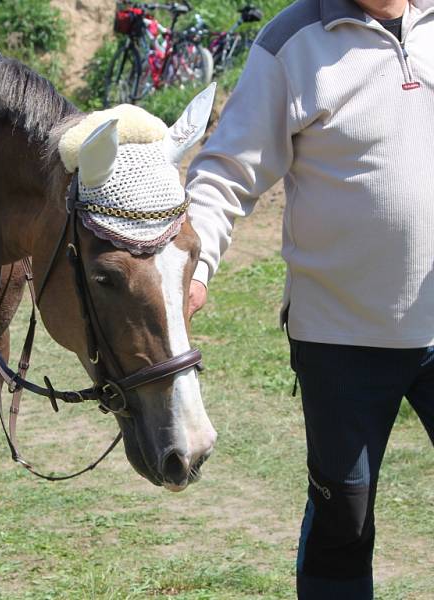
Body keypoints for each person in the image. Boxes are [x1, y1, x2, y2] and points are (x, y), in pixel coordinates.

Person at [184, 0, 434, 597]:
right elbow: (225, 172)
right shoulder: (292, 41)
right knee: (342, 521)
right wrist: (193, 267)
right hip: (339, 338)